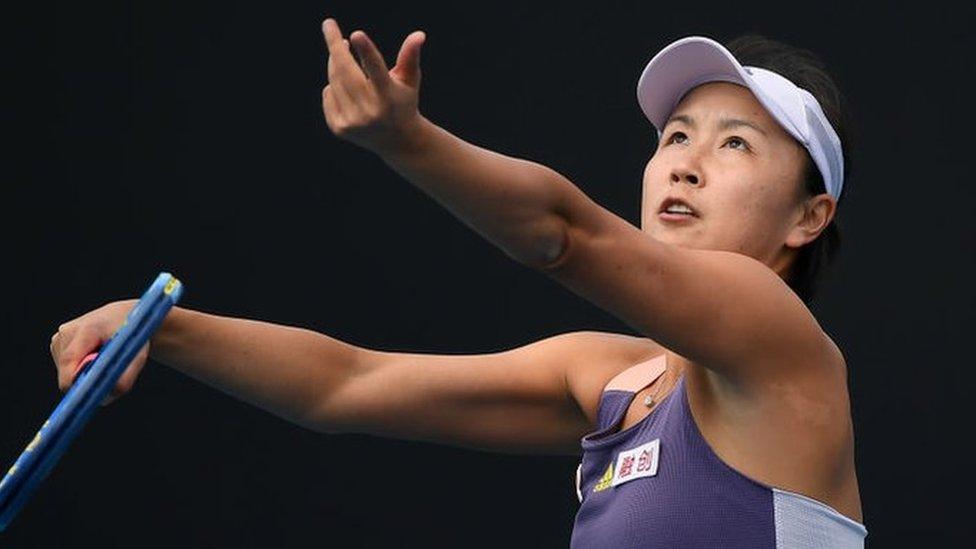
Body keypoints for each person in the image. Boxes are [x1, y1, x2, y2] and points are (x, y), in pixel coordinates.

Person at [49, 17, 867, 547]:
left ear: (809, 216)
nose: (683, 162)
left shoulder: (780, 344)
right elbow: (345, 383)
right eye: (676, 134)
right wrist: (155, 324)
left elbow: (563, 235)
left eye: (734, 145)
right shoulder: (609, 379)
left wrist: (409, 142)